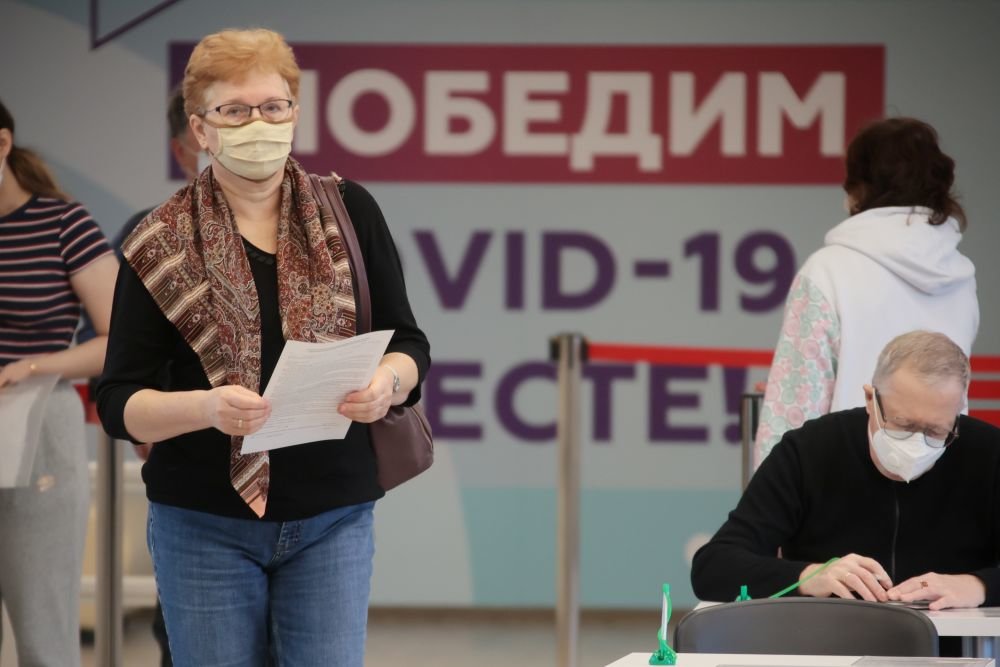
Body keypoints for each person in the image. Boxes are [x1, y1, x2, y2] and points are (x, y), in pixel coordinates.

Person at [96, 28, 430, 666]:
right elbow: (118, 401)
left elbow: (408, 341)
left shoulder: (349, 210)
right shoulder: (159, 240)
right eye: (235, 110)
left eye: (274, 107)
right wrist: (206, 408)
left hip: (333, 513)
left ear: (295, 114)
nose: (259, 123)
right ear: (201, 129)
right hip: (203, 522)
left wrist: (387, 383)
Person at [693, 331, 999, 617]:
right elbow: (714, 568)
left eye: (936, 431)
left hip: (963, 646)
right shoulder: (810, 450)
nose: (917, 444)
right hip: (827, 642)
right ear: (870, 400)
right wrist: (809, 577)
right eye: (903, 424)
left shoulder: (988, 453)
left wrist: (978, 586)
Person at [753, 117, 978, 466]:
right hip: (942, 477)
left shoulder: (828, 271)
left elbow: (792, 413)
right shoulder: (961, 276)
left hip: (844, 480)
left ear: (858, 188)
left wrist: (769, 492)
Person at [78, 85, 199, 667]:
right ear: (183, 147)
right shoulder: (152, 235)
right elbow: (119, 362)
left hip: (309, 490)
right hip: (193, 484)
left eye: (269, 111)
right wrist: (146, 418)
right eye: (222, 119)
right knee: (187, 639)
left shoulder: (324, 227)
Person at [0, 99, 118, 665]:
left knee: (43, 630)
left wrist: (33, 366)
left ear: (2, 145)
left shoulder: (62, 223)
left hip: (37, 418)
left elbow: (119, 338)